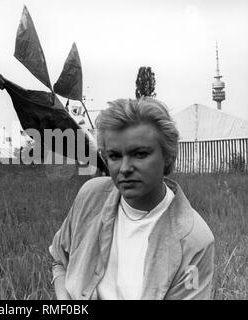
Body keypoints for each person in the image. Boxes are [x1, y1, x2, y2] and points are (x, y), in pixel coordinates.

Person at [49, 98, 215, 300]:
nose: (125, 168)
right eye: (115, 156)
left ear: (168, 156)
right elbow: (60, 259)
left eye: (140, 154)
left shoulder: (194, 240)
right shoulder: (90, 196)